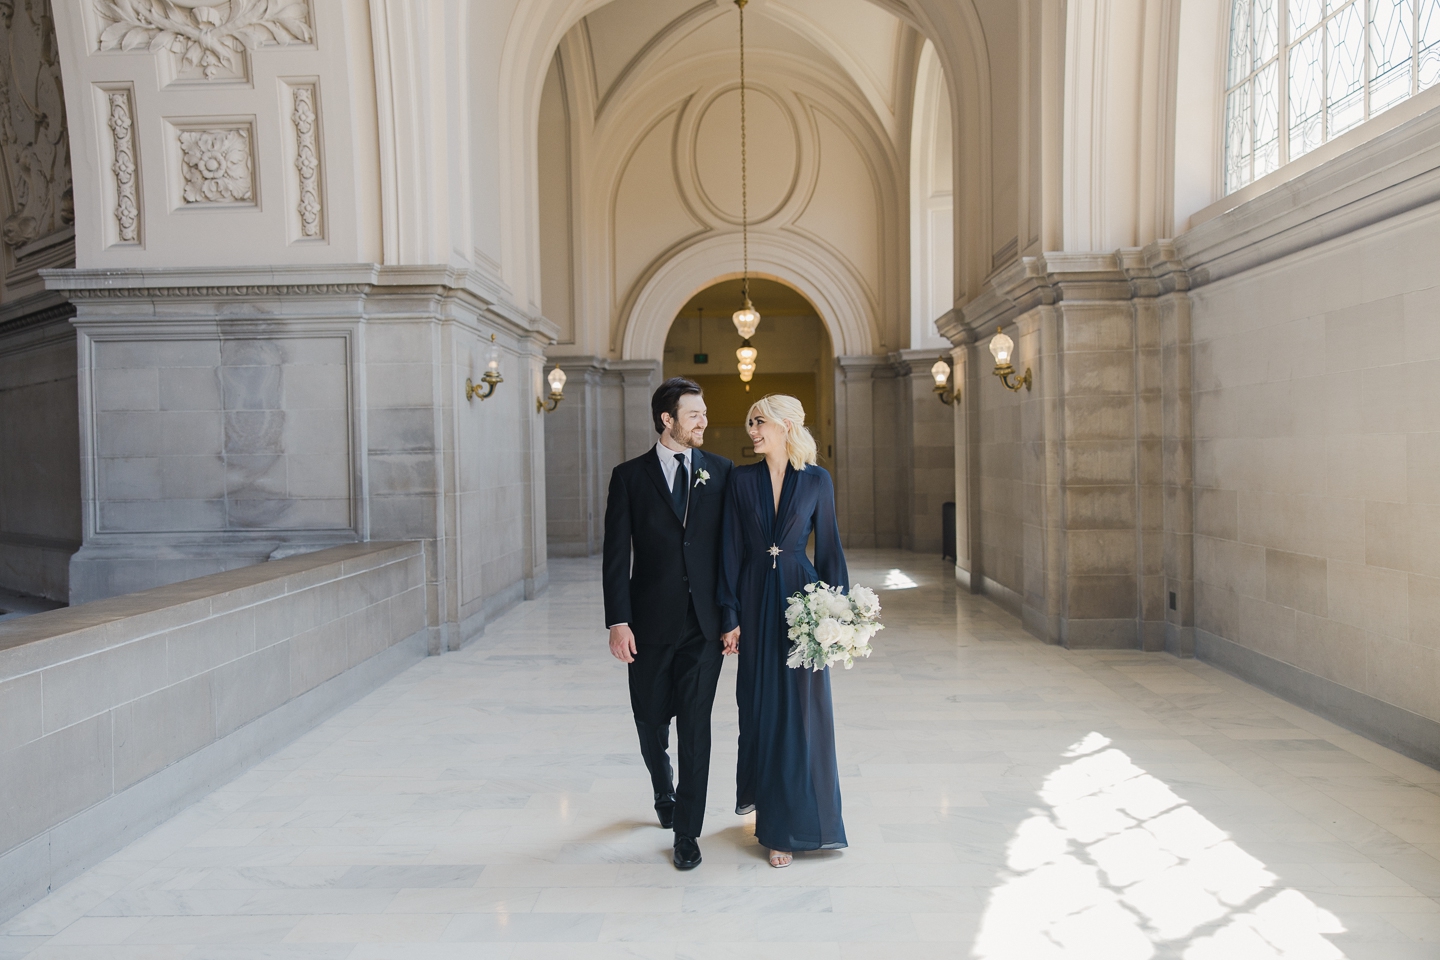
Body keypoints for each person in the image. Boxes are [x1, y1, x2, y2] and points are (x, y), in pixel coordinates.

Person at [602, 377, 738, 870]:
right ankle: (663, 790)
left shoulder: (721, 472)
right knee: (650, 719)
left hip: (704, 627)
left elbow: (730, 553)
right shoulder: (629, 477)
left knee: (696, 728)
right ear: (668, 420)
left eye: (703, 413)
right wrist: (619, 621)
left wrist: (731, 616)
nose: (704, 421)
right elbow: (616, 555)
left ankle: (687, 833)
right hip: (648, 623)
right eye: (694, 414)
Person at [718, 394, 848, 868]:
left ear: (787, 426)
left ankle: (795, 825)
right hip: (754, 600)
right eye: (751, 422)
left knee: (801, 715)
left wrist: (839, 619)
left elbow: (830, 548)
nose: (752, 430)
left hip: (802, 602)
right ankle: (771, 821)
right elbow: (730, 551)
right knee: (759, 711)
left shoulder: (817, 480)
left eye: (760, 422)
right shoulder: (741, 479)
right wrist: (728, 616)